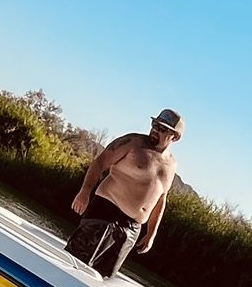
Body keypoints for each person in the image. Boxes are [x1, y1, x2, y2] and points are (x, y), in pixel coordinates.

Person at [64, 109, 184, 278]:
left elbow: (161, 199)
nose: (155, 130)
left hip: (133, 228)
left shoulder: (172, 164)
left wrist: (151, 233)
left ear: (175, 137)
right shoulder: (133, 143)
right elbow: (100, 163)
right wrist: (85, 191)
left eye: (162, 129)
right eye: (154, 125)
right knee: (76, 266)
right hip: (105, 214)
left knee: (103, 279)